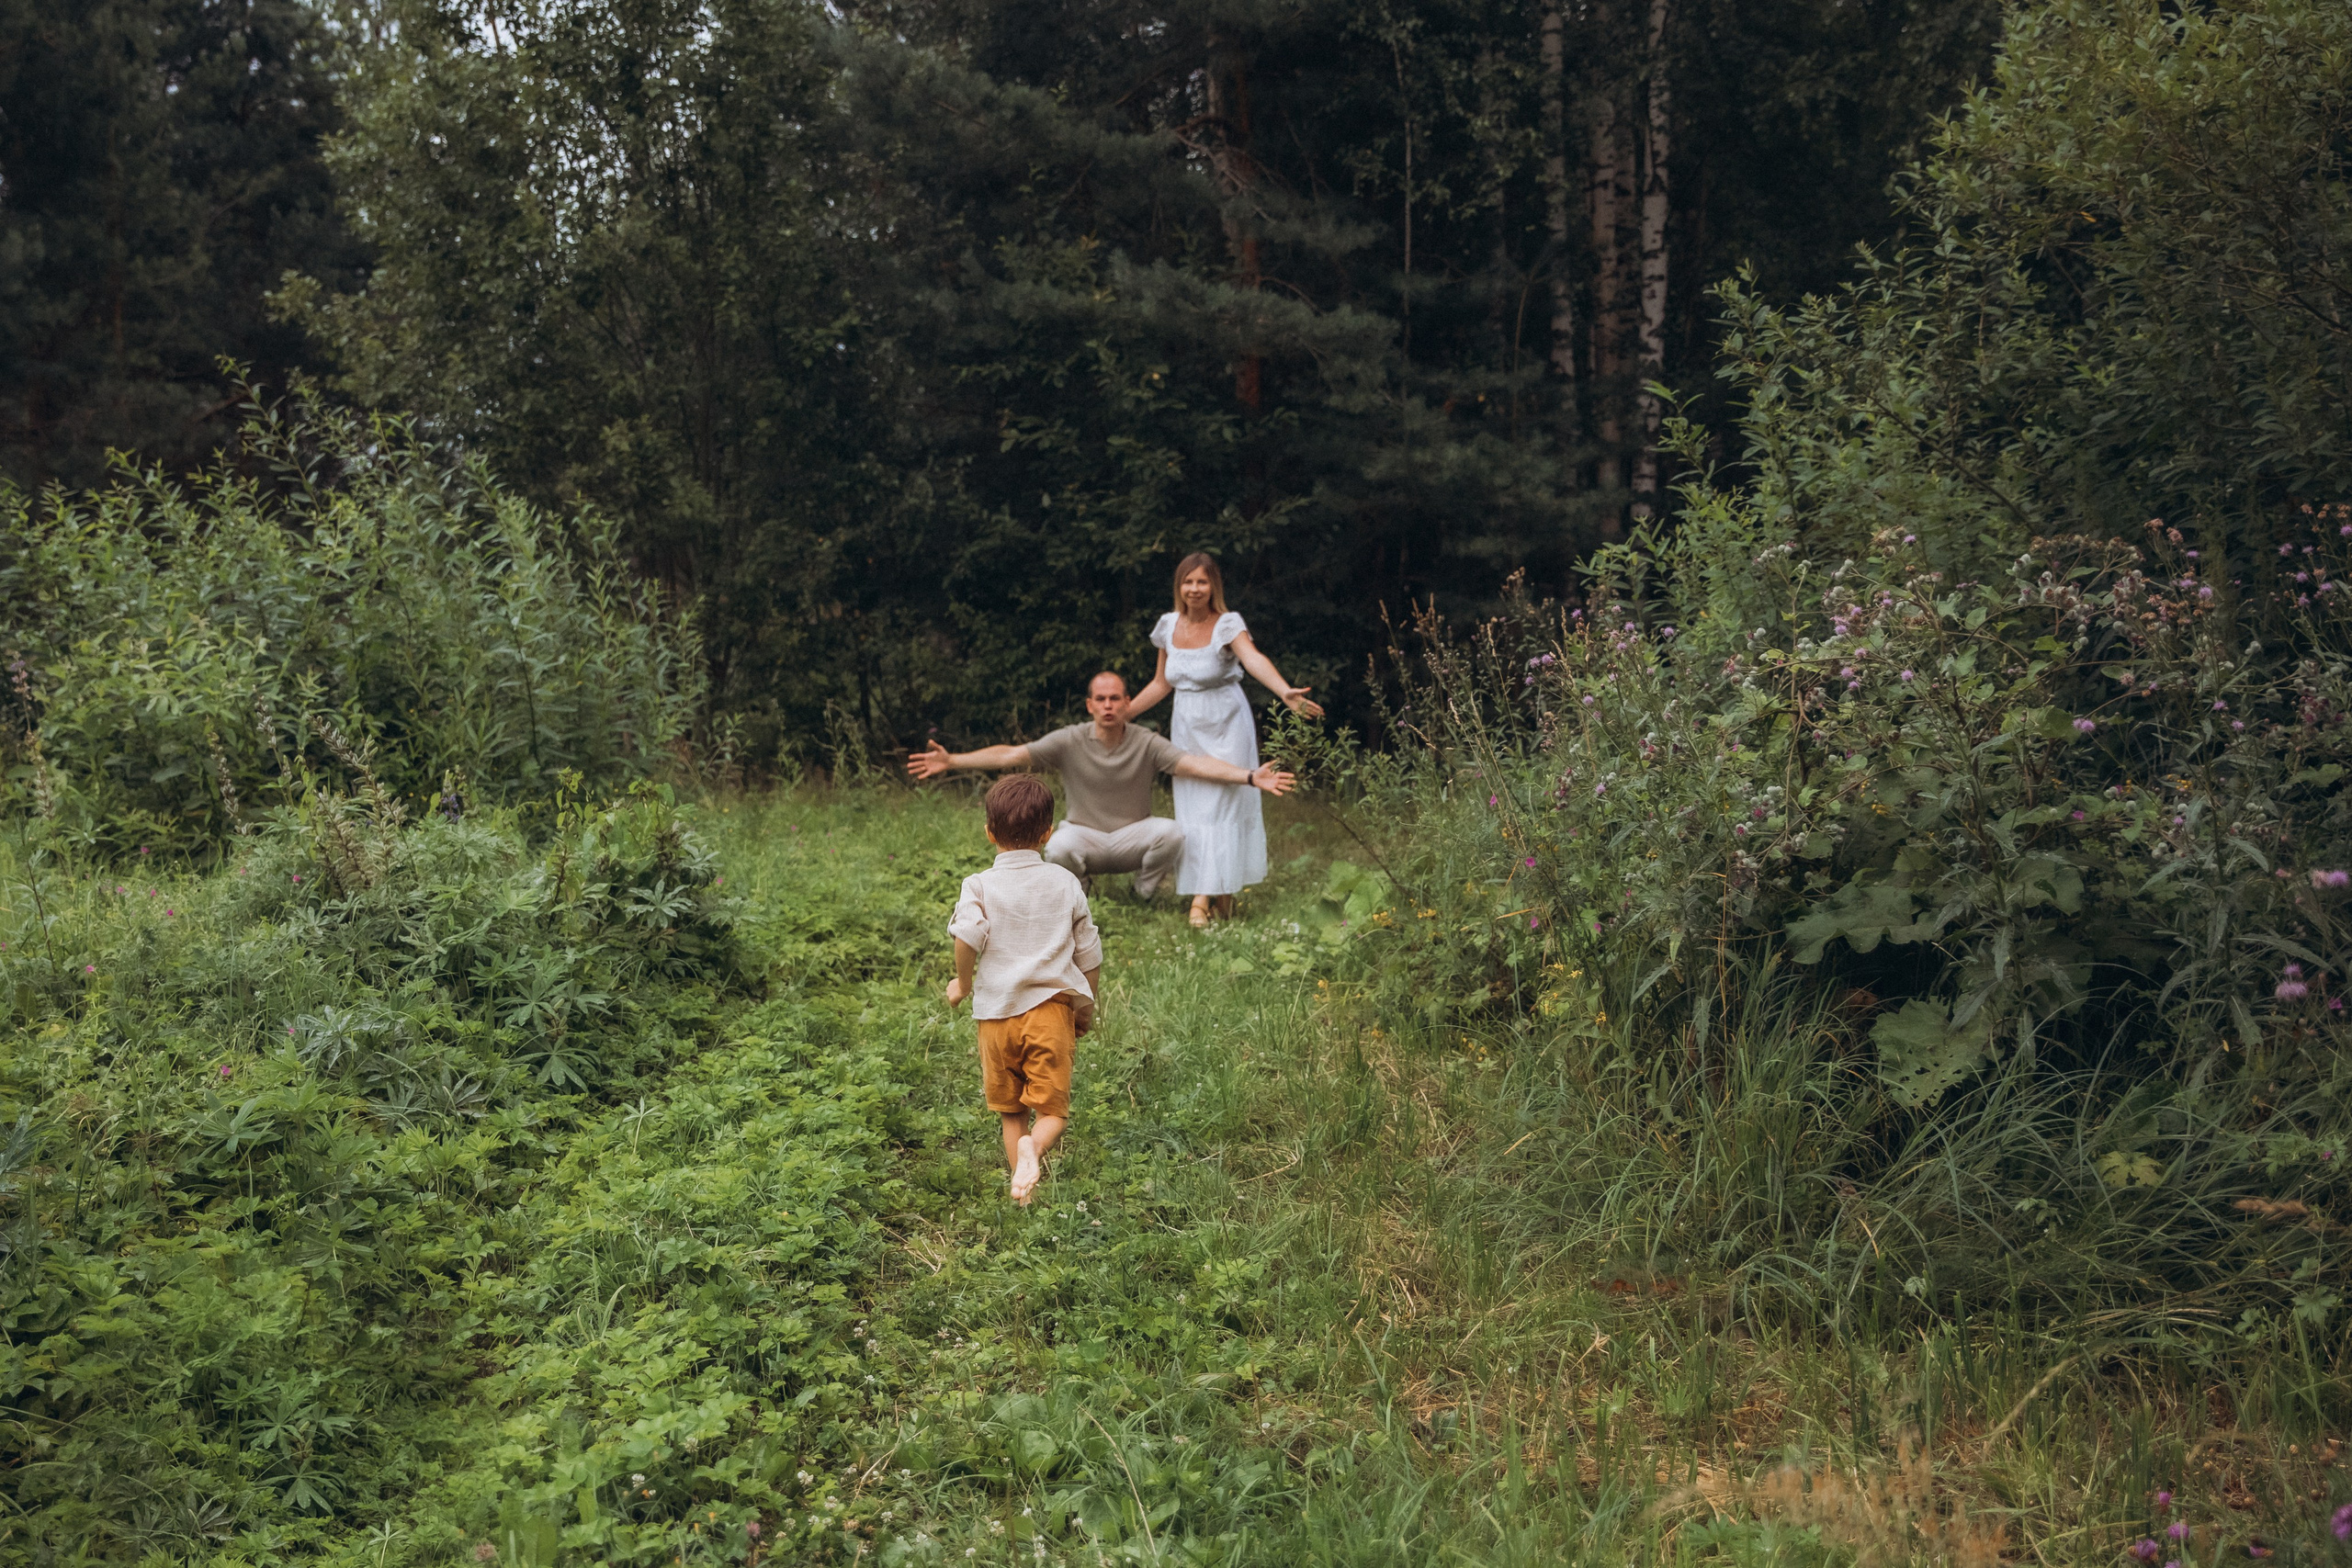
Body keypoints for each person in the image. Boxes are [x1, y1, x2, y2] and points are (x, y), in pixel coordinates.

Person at [906, 671, 1296, 899]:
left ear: (1128, 703)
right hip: (1085, 836)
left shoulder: (1145, 740)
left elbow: (1192, 764)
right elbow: (1011, 755)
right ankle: (1083, 890)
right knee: (1056, 844)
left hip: (1133, 837)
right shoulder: (1069, 739)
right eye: (1100, 699)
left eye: (1115, 699)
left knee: (1174, 832)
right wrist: (952, 760)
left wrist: (1249, 776)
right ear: (1089, 705)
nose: (1108, 705)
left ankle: (1142, 893)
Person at [1123, 553, 1324, 928]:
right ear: (1179, 587)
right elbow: (1160, 683)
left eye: (1202, 582)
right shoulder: (1168, 626)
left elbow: (1252, 659)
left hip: (1227, 722)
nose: (1195, 589)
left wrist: (1284, 691)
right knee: (1197, 810)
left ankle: (1202, 899)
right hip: (1187, 724)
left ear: (1214, 586)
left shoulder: (1227, 624)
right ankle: (1224, 901)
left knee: (1225, 807)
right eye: (1188, 582)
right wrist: (1124, 714)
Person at [945, 775, 1102, 1205]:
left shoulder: (978, 884)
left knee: (1011, 1110)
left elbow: (967, 937)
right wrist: (1085, 1007)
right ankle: (1035, 1147)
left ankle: (1022, 1196)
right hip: (1050, 1012)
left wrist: (962, 984)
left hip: (995, 1017)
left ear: (990, 833)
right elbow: (1089, 953)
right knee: (1050, 1113)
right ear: (1048, 834)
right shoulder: (1065, 881)